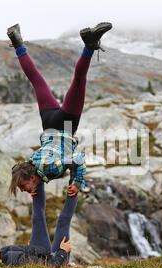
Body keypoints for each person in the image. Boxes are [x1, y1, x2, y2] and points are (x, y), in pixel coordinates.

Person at [7, 22, 113, 199]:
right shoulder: (28, 164)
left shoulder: (52, 168)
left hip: (66, 126)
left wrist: (77, 184)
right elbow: (17, 169)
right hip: (48, 122)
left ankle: (89, 46)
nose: (23, 190)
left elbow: (78, 160)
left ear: (32, 177)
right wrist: (33, 184)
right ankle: (18, 44)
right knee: (36, 81)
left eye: (23, 186)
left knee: (79, 81)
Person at [0, 182, 77, 268]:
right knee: (63, 220)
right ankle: (76, 180)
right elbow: (51, 266)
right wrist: (63, 252)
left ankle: (38, 176)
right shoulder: (12, 260)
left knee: (37, 216)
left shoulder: (3, 252)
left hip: (40, 252)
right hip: (57, 259)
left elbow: (22, 253)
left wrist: (30, 249)